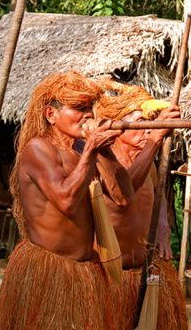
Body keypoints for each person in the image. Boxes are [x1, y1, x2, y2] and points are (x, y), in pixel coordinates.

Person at [0, 71, 134, 329]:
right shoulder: (39, 149)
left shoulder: (83, 150)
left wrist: (104, 153)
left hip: (85, 271)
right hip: (47, 269)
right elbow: (66, 201)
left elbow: (123, 198)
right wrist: (91, 150)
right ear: (51, 114)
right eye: (79, 108)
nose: (89, 115)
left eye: (90, 107)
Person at [95, 80, 188, 330]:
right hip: (108, 277)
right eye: (139, 124)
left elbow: (158, 195)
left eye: (150, 124)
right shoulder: (103, 162)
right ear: (117, 128)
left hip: (144, 269)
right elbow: (124, 192)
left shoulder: (148, 163)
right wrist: (155, 141)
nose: (147, 130)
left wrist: (162, 225)